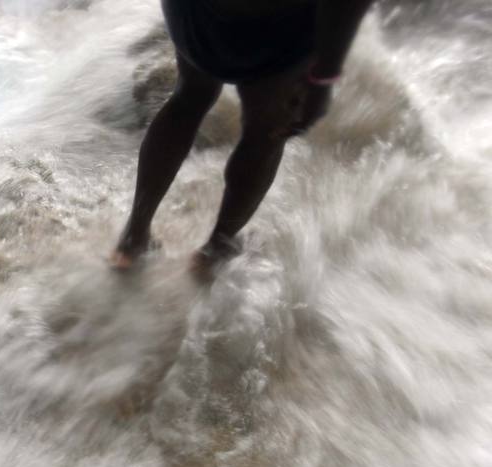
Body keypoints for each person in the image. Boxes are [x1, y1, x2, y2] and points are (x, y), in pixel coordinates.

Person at [112, 0, 376, 272]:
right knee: (266, 130)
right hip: (274, 25)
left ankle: (133, 238)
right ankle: (215, 252)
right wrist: (324, 76)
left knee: (190, 96)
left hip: (194, 15)